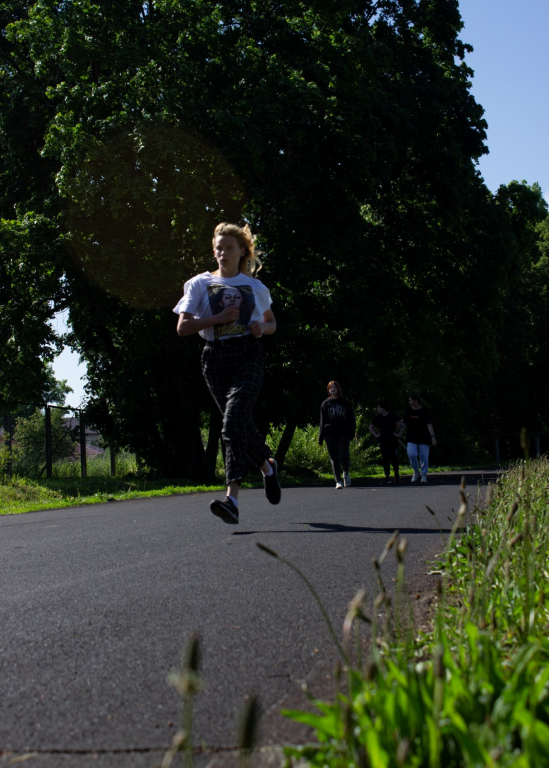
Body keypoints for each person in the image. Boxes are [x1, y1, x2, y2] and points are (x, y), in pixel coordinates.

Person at [174, 222, 281, 524]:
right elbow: (182, 328)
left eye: (229, 248)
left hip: (249, 354)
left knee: (232, 422)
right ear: (214, 251)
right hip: (215, 358)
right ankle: (267, 467)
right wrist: (218, 317)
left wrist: (263, 327)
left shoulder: (256, 288)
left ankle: (231, 499)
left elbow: (272, 323)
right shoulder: (198, 284)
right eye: (219, 247)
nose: (223, 252)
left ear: (242, 251)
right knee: (240, 426)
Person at [318, 381, 356, 489]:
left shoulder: (345, 402)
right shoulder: (325, 404)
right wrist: (320, 438)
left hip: (343, 433)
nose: (333, 389)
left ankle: (345, 472)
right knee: (333, 457)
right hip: (330, 433)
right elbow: (322, 421)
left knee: (342, 455)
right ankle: (338, 480)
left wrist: (351, 433)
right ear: (328, 390)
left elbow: (351, 419)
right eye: (331, 388)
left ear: (338, 389)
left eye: (334, 387)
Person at [401, 393, 437, 484]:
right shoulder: (409, 411)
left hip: (423, 437)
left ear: (416, 400)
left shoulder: (424, 411)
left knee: (423, 456)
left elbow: (429, 424)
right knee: (411, 454)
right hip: (411, 437)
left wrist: (433, 437)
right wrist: (399, 434)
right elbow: (404, 424)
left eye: (410, 400)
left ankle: (424, 475)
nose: (409, 402)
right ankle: (416, 471)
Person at [368, 401, 404, 484]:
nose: (377, 409)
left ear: (383, 408)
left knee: (393, 457)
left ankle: (396, 473)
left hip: (392, 439)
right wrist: (376, 435)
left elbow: (402, 424)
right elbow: (371, 427)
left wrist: (398, 434)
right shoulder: (378, 418)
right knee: (385, 457)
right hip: (383, 440)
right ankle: (387, 475)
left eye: (379, 407)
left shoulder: (392, 416)